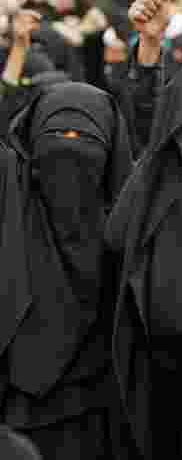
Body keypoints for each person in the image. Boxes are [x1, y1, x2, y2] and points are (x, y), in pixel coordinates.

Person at [0, 80, 135, 460]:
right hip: (14, 410)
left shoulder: (127, 232)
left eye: (84, 141)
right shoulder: (8, 212)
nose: (69, 150)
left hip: (99, 413)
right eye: (56, 137)